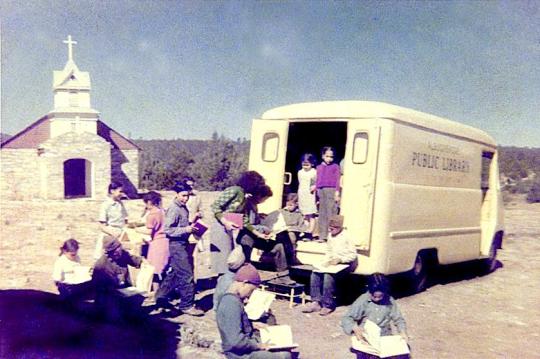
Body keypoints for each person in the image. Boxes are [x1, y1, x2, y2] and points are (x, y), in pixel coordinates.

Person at [216, 263, 292, 359]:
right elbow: (235, 341)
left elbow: (233, 325)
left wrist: (252, 325)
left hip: (245, 344)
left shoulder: (231, 299)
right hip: (239, 354)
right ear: (244, 283)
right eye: (251, 290)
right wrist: (258, 346)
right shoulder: (231, 303)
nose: (249, 296)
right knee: (284, 355)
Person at [154, 182, 204, 316]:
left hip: (182, 243)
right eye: (183, 195)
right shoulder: (174, 208)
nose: (185, 198)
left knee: (175, 273)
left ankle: (160, 297)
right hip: (176, 245)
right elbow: (168, 230)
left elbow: (180, 225)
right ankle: (186, 305)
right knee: (187, 275)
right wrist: (186, 229)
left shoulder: (183, 208)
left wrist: (192, 223)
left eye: (187, 196)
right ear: (176, 194)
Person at [210, 171, 269, 275]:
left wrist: (259, 234)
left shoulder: (244, 196)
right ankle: (221, 283)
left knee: (229, 256)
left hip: (228, 227)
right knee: (223, 257)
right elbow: (215, 206)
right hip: (220, 226)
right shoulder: (234, 190)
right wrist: (225, 222)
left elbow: (245, 220)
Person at [341, 273, 409, 359]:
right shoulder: (362, 300)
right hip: (367, 338)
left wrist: (403, 332)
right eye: (374, 296)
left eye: (380, 296)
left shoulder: (389, 300)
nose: (377, 299)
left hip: (384, 337)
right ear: (369, 291)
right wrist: (355, 328)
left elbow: (398, 318)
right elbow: (347, 318)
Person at [240, 185, 296, 285]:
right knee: (246, 258)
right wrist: (264, 229)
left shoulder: (254, 205)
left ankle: (283, 276)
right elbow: (246, 223)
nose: (264, 201)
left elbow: (253, 220)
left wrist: (259, 216)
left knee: (278, 247)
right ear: (259, 196)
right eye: (264, 199)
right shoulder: (246, 204)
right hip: (248, 237)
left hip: (257, 235)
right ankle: (244, 278)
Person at [302, 215, 357, 316]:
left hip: (344, 264)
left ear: (338, 228)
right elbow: (329, 250)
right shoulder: (331, 235)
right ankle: (316, 302)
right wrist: (325, 261)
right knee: (315, 273)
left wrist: (340, 259)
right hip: (332, 263)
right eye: (329, 228)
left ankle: (328, 305)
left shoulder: (347, 237)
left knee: (328, 277)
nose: (330, 230)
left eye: (332, 228)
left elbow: (353, 255)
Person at [92, 235, 144, 320]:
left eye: (119, 249)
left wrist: (143, 262)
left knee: (138, 299)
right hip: (108, 295)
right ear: (109, 253)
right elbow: (98, 288)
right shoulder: (101, 265)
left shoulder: (122, 254)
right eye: (115, 252)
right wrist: (115, 289)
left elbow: (133, 260)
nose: (118, 253)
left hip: (124, 290)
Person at [135, 191, 168, 290]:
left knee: (154, 270)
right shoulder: (163, 212)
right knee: (164, 269)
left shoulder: (152, 214)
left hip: (157, 243)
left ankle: (156, 293)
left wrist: (136, 229)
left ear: (149, 202)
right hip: (166, 241)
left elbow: (149, 231)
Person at [94, 182, 128, 259]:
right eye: (120, 191)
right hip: (109, 234)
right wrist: (112, 233)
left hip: (120, 234)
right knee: (103, 259)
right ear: (112, 191)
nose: (122, 194)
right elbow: (101, 225)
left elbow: (125, 219)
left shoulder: (120, 204)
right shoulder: (105, 205)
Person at [315, 146, 340, 242]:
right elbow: (318, 180)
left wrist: (337, 192)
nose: (329, 159)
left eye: (331, 157)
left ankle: (333, 235)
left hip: (331, 190)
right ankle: (322, 235)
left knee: (332, 213)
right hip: (321, 191)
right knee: (322, 213)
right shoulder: (319, 167)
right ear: (322, 156)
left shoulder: (335, 167)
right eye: (327, 156)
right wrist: (316, 190)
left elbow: (337, 180)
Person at [297, 153, 318, 238]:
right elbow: (300, 182)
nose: (305, 166)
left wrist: (314, 188)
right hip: (302, 194)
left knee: (311, 214)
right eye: (303, 164)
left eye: (307, 164)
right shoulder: (300, 172)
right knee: (304, 214)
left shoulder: (314, 172)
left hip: (310, 195)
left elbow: (316, 183)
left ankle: (310, 231)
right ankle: (306, 230)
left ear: (312, 164)